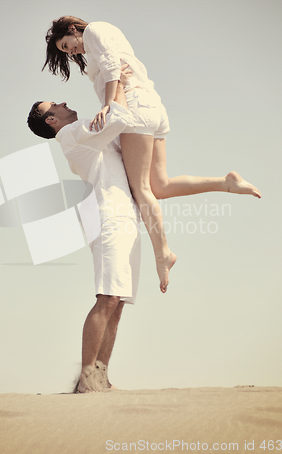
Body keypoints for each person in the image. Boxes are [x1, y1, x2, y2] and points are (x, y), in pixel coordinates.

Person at [42, 16, 261, 293]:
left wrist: (109, 105)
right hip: (151, 109)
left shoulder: (96, 30)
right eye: (65, 52)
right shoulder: (103, 36)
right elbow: (115, 66)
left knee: (141, 189)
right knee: (159, 186)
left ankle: (163, 253)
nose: (70, 51)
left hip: (133, 108)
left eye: (66, 45)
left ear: (73, 30)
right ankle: (226, 182)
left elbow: (112, 66)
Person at [28, 67, 141, 393]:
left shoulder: (81, 131)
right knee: (107, 297)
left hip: (124, 215)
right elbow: (119, 119)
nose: (64, 102)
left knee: (117, 302)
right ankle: (86, 379)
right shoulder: (73, 133)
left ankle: (100, 378)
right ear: (51, 120)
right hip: (108, 218)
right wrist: (116, 79)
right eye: (56, 105)